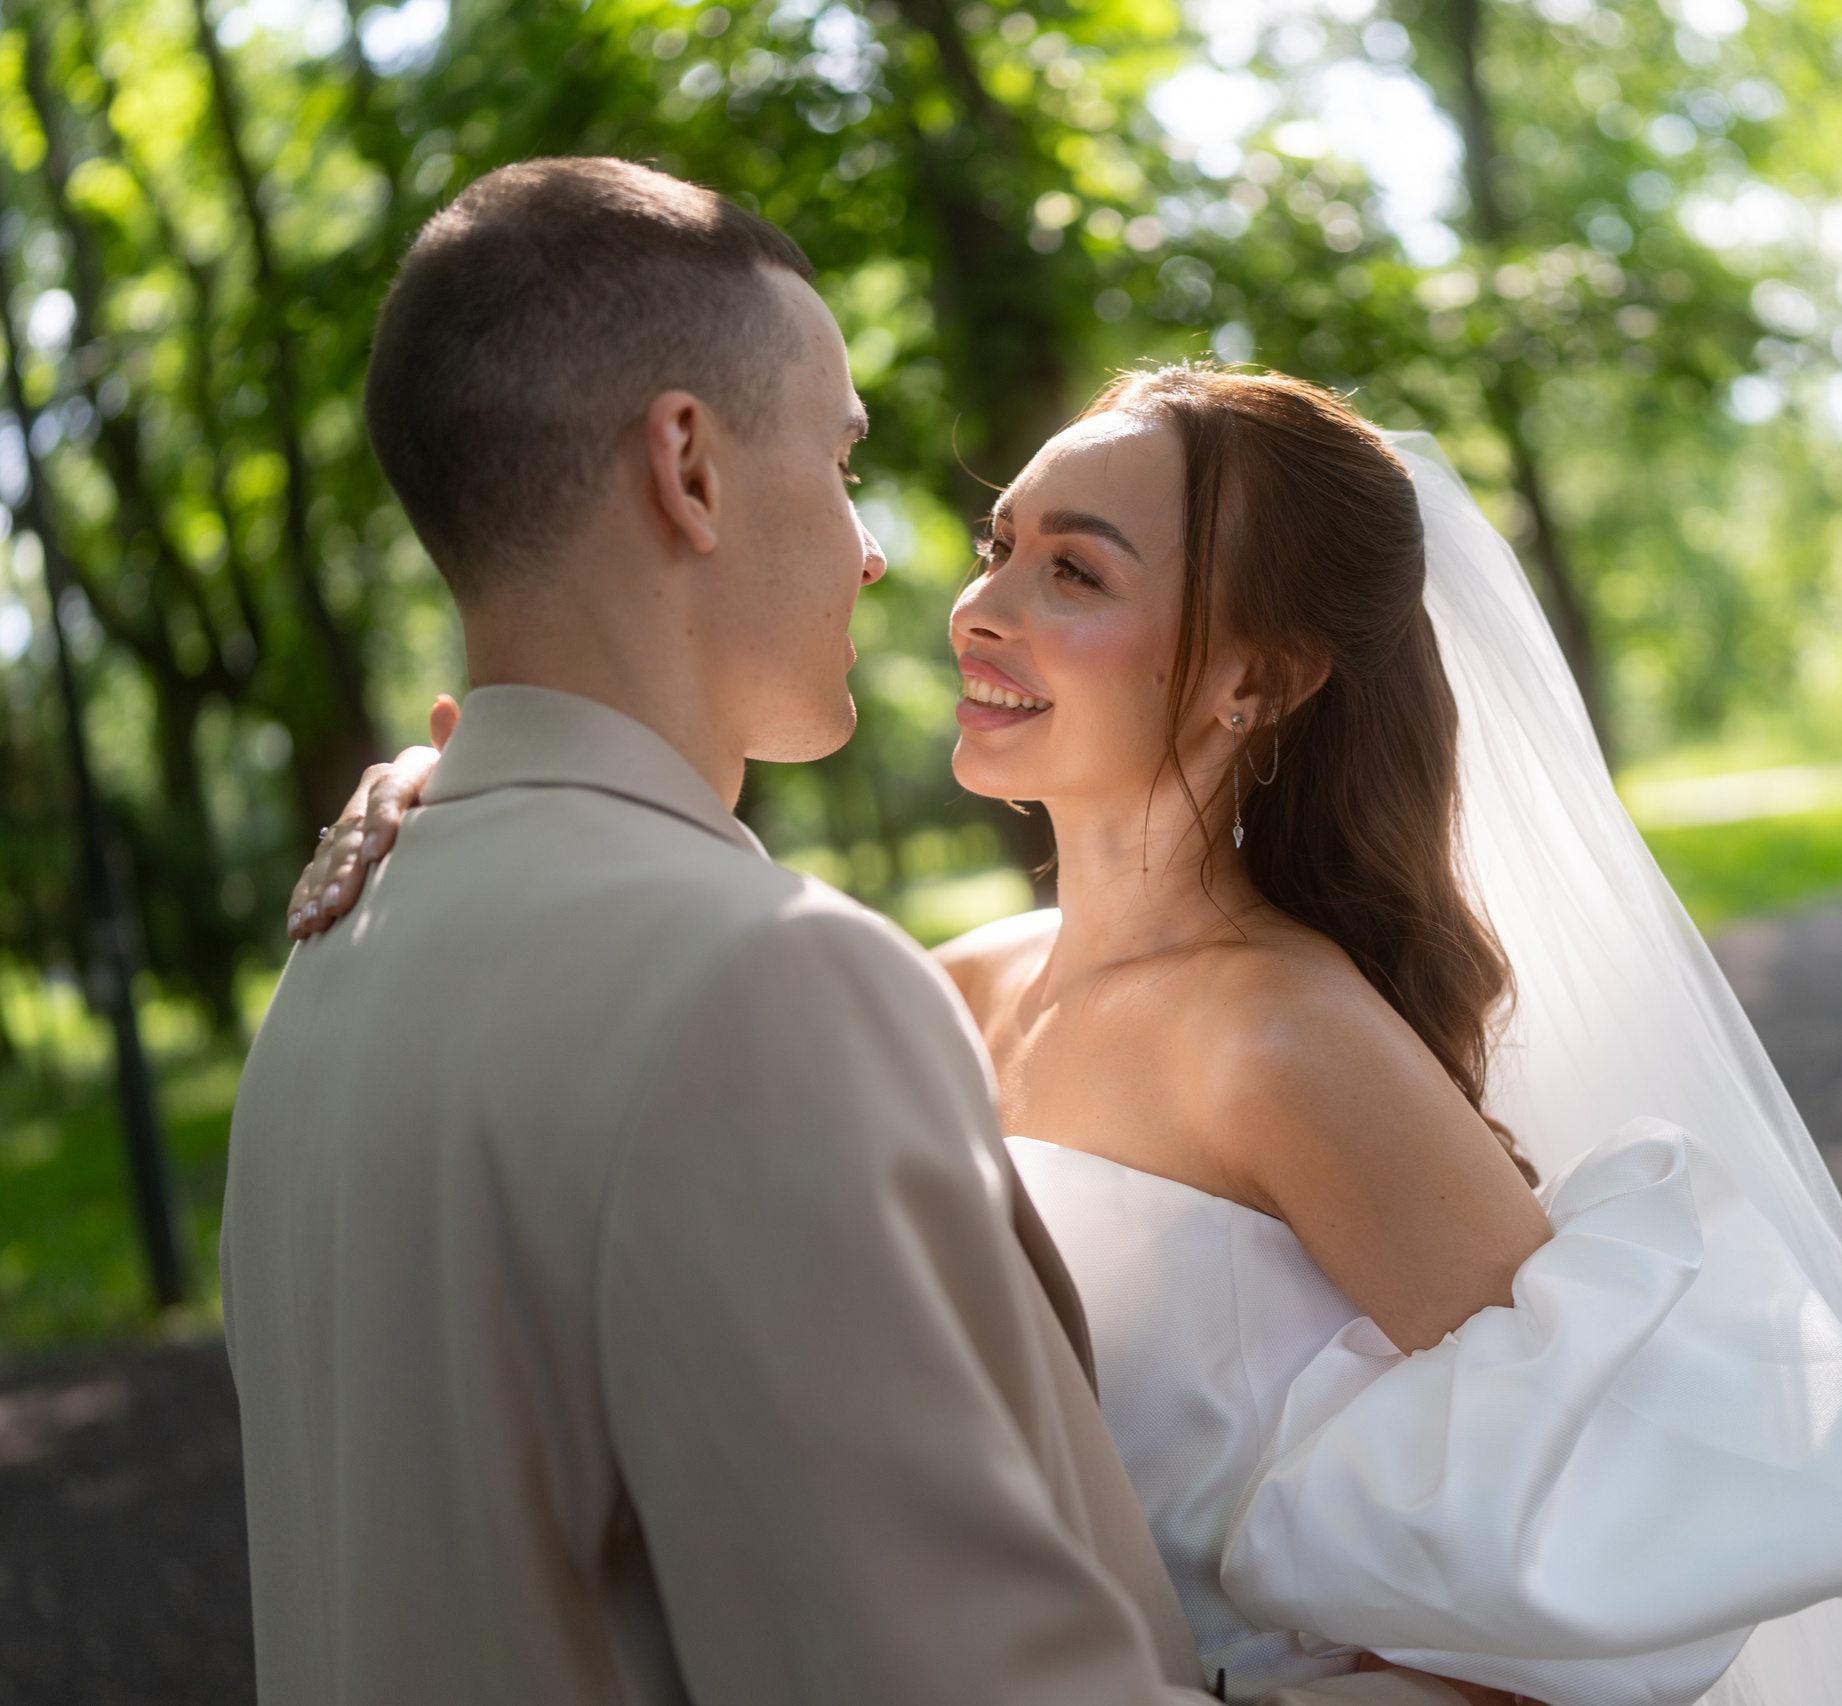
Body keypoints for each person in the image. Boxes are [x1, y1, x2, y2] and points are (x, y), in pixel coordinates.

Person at [299, 360, 1842, 1703]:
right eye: (1000, 546)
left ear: (1253, 678)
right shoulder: (942, 985)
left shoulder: (1284, 1043)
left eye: (1076, 571)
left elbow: (1611, 1544)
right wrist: (480, 798)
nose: (982, 606)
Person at [228, 157, 1476, 1706]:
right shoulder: (767, 984)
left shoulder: (337, 953)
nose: (878, 552)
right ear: (688, 468)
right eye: (839, 459)